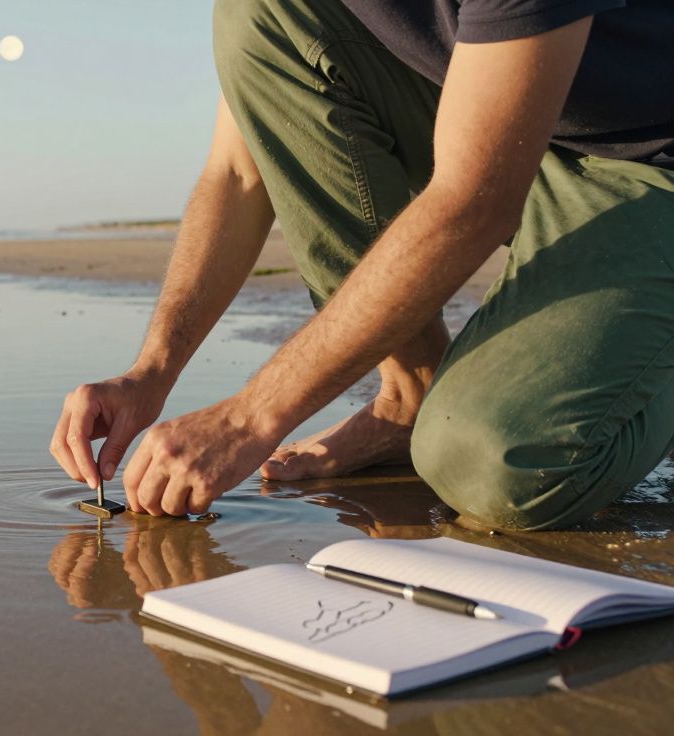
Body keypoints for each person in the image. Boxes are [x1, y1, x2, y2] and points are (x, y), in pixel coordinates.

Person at [51, 0, 674, 530]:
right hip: (502, 113)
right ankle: (410, 391)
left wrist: (248, 418)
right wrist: (151, 372)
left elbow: (474, 202)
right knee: (261, 16)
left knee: (500, 465)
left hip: (648, 158)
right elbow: (238, 172)